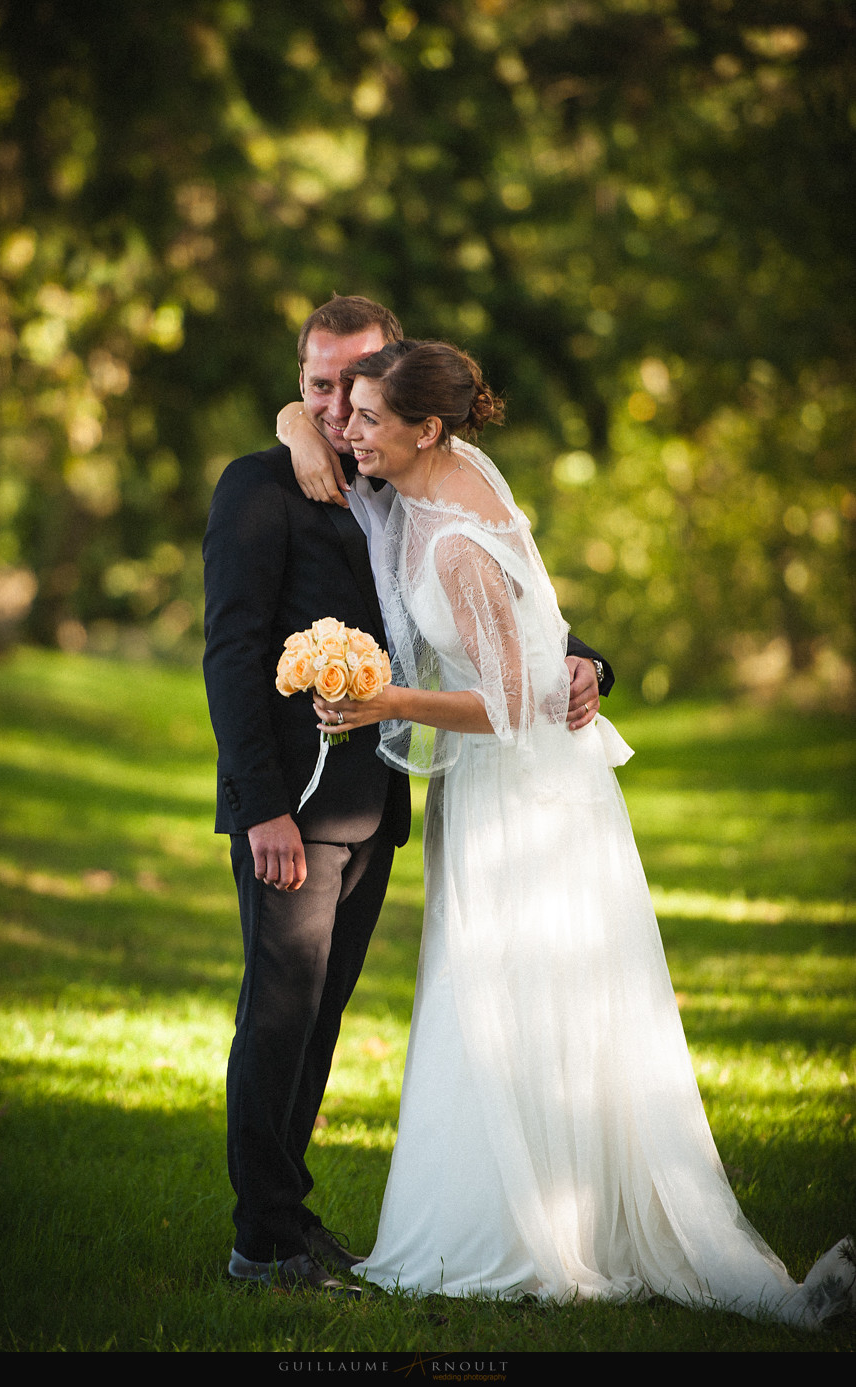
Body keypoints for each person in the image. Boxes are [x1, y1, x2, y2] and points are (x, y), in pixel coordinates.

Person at [312, 338, 855, 1327]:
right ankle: (575, 1213)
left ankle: (519, 1232)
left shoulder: (453, 541)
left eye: (368, 419)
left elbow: (515, 697)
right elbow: (539, 640)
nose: (350, 433)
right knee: (540, 990)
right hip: (539, 789)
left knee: (507, 984)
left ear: (424, 428)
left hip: (516, 795)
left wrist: (388, 697)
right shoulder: (462, 473)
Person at [202, 295, 615, 1294]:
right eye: (317, 388)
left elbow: (500, 597)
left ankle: (291, 1217)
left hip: (378, 805)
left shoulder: (402, 476)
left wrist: (588, 656)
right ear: (298, 384)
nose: (338, 408)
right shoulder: (260, 487)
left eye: (356, 386)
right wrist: (259, 805)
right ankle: (260, 1239)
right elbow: (232, 650)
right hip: (291, 810)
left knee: (324, 1014)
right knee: (279, 1011)